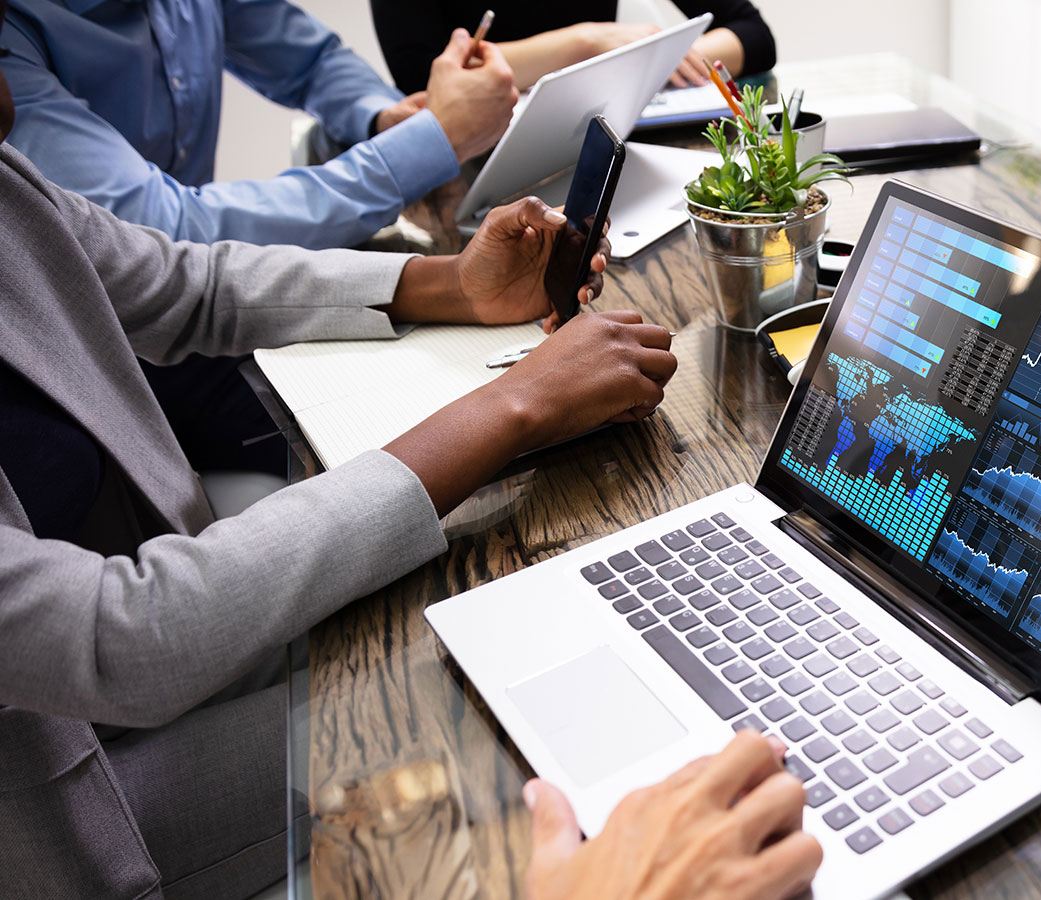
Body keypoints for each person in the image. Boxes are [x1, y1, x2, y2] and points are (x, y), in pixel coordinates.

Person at [0, 36, 818, 900]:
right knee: (494, 714)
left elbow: (188, 283)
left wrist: (456, 286)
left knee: (503, 615)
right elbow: (119, 636)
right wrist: (510, 408)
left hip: (146, 651)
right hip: (66, 808)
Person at [0, 0, 519, 249]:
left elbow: (312, 62)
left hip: (206, 289)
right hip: (104, 347)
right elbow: (161, 230)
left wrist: (384, 116)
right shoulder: (13, 39)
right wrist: (431, 140)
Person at [372, 0, 777, 95]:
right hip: (471, 164)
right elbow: (423, 80)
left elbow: (753, 35)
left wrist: (667, 56)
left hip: (606, 139)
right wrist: (584, 42)